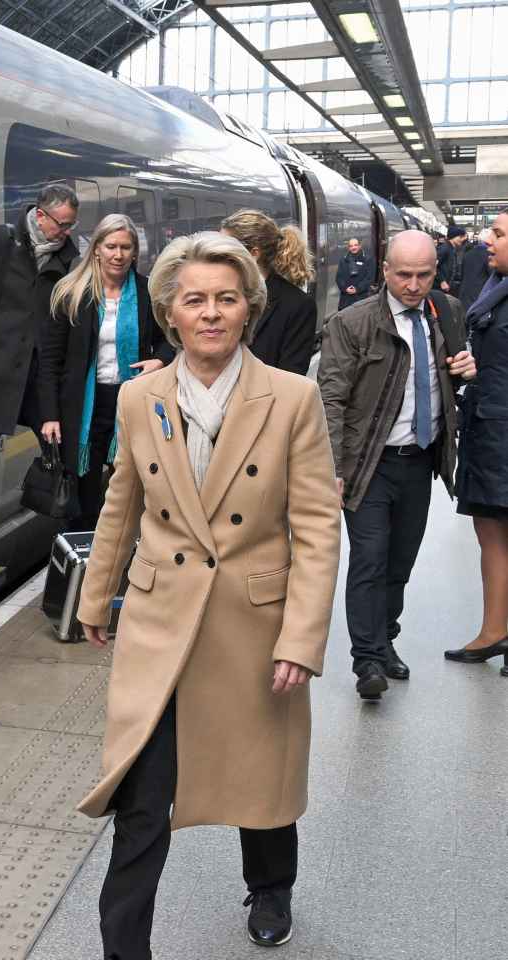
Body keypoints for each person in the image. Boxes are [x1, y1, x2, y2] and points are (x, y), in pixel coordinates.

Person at [75, 232, 340, 958]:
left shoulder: (292, 399)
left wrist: (302, 639)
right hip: (161, 621)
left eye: (227, 299)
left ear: (249, 308)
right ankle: (124, 950)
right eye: (195, 300)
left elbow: (317, 525)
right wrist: (95, 599)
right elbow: (121, 506)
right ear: (171, 312)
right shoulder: (138, 397)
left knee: (261, 781)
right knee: (140, 800)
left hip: (253, 626)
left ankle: (271, 885)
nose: (212, 313)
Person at [318, 231, 476, 700]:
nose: (413, 284)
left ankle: (384, 640)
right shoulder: (352, 323)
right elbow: (331, 397)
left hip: (420, 460)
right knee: (369, 558)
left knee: (400, 562)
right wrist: (333, 467)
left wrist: (463, 371)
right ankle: (366, 660)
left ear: (436, 272)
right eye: (403, 274)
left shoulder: (448, 313)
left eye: (423, 275)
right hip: (369, 462)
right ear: (384, 271)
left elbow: (453, 381)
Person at [36, 214, 174, 526]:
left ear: (135, 252)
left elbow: (172, 339)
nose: (118, 254)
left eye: (126, 247)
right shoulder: (71, 293)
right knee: (83, 493)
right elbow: (50, 361)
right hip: (84, 406)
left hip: (130, 403)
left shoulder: (147, 292)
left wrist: (160, 360)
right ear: (96, 248)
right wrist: (49, 415)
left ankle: (127, 554)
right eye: (111, 246)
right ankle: (85, 557)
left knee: (130, 485)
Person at [0, 182, 81, 483]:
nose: (67, 232)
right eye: (62, 224)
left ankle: (67, 516)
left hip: (40, 376)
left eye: (71, 225)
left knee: (60, 448)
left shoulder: (68, 260)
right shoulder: (0, 242)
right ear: (40, 216)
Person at [450, 212, 508, 676]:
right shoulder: (496, 286)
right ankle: (495, 629)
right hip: (489, 426)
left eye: (500, 234)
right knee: (490, 531)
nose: (488, 240)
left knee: (495, 532)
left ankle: (495, 631)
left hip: (501, 431)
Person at [221, 210, 318, 375]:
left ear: (253, 254)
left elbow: (291, 376)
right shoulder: (215, 295)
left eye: (225, 250)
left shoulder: (298, 306)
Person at [460, 227, 496, 308]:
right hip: (480, 296)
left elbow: (462, 274)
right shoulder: (489, 256)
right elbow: (493, 278)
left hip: (464, 295)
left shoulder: (467, 254)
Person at [335, 237, 374, 310]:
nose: (353, 247)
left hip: (361, 297)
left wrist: (357, 289)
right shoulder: (343, 260)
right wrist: (345, 288)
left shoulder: (368, 259)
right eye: (351, 246)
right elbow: (338, 277)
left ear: (359, 246)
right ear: (348, 248)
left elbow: (369, 278)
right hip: (345, 299)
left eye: (355, 245)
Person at [438, 225, 467, 295]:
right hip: (440, 288)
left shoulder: (452, 249)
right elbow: (433, 266)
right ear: (453, 237)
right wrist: (442, 281)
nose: (462, 239)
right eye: (460, 237)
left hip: (447, 287)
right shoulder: (444, 249)